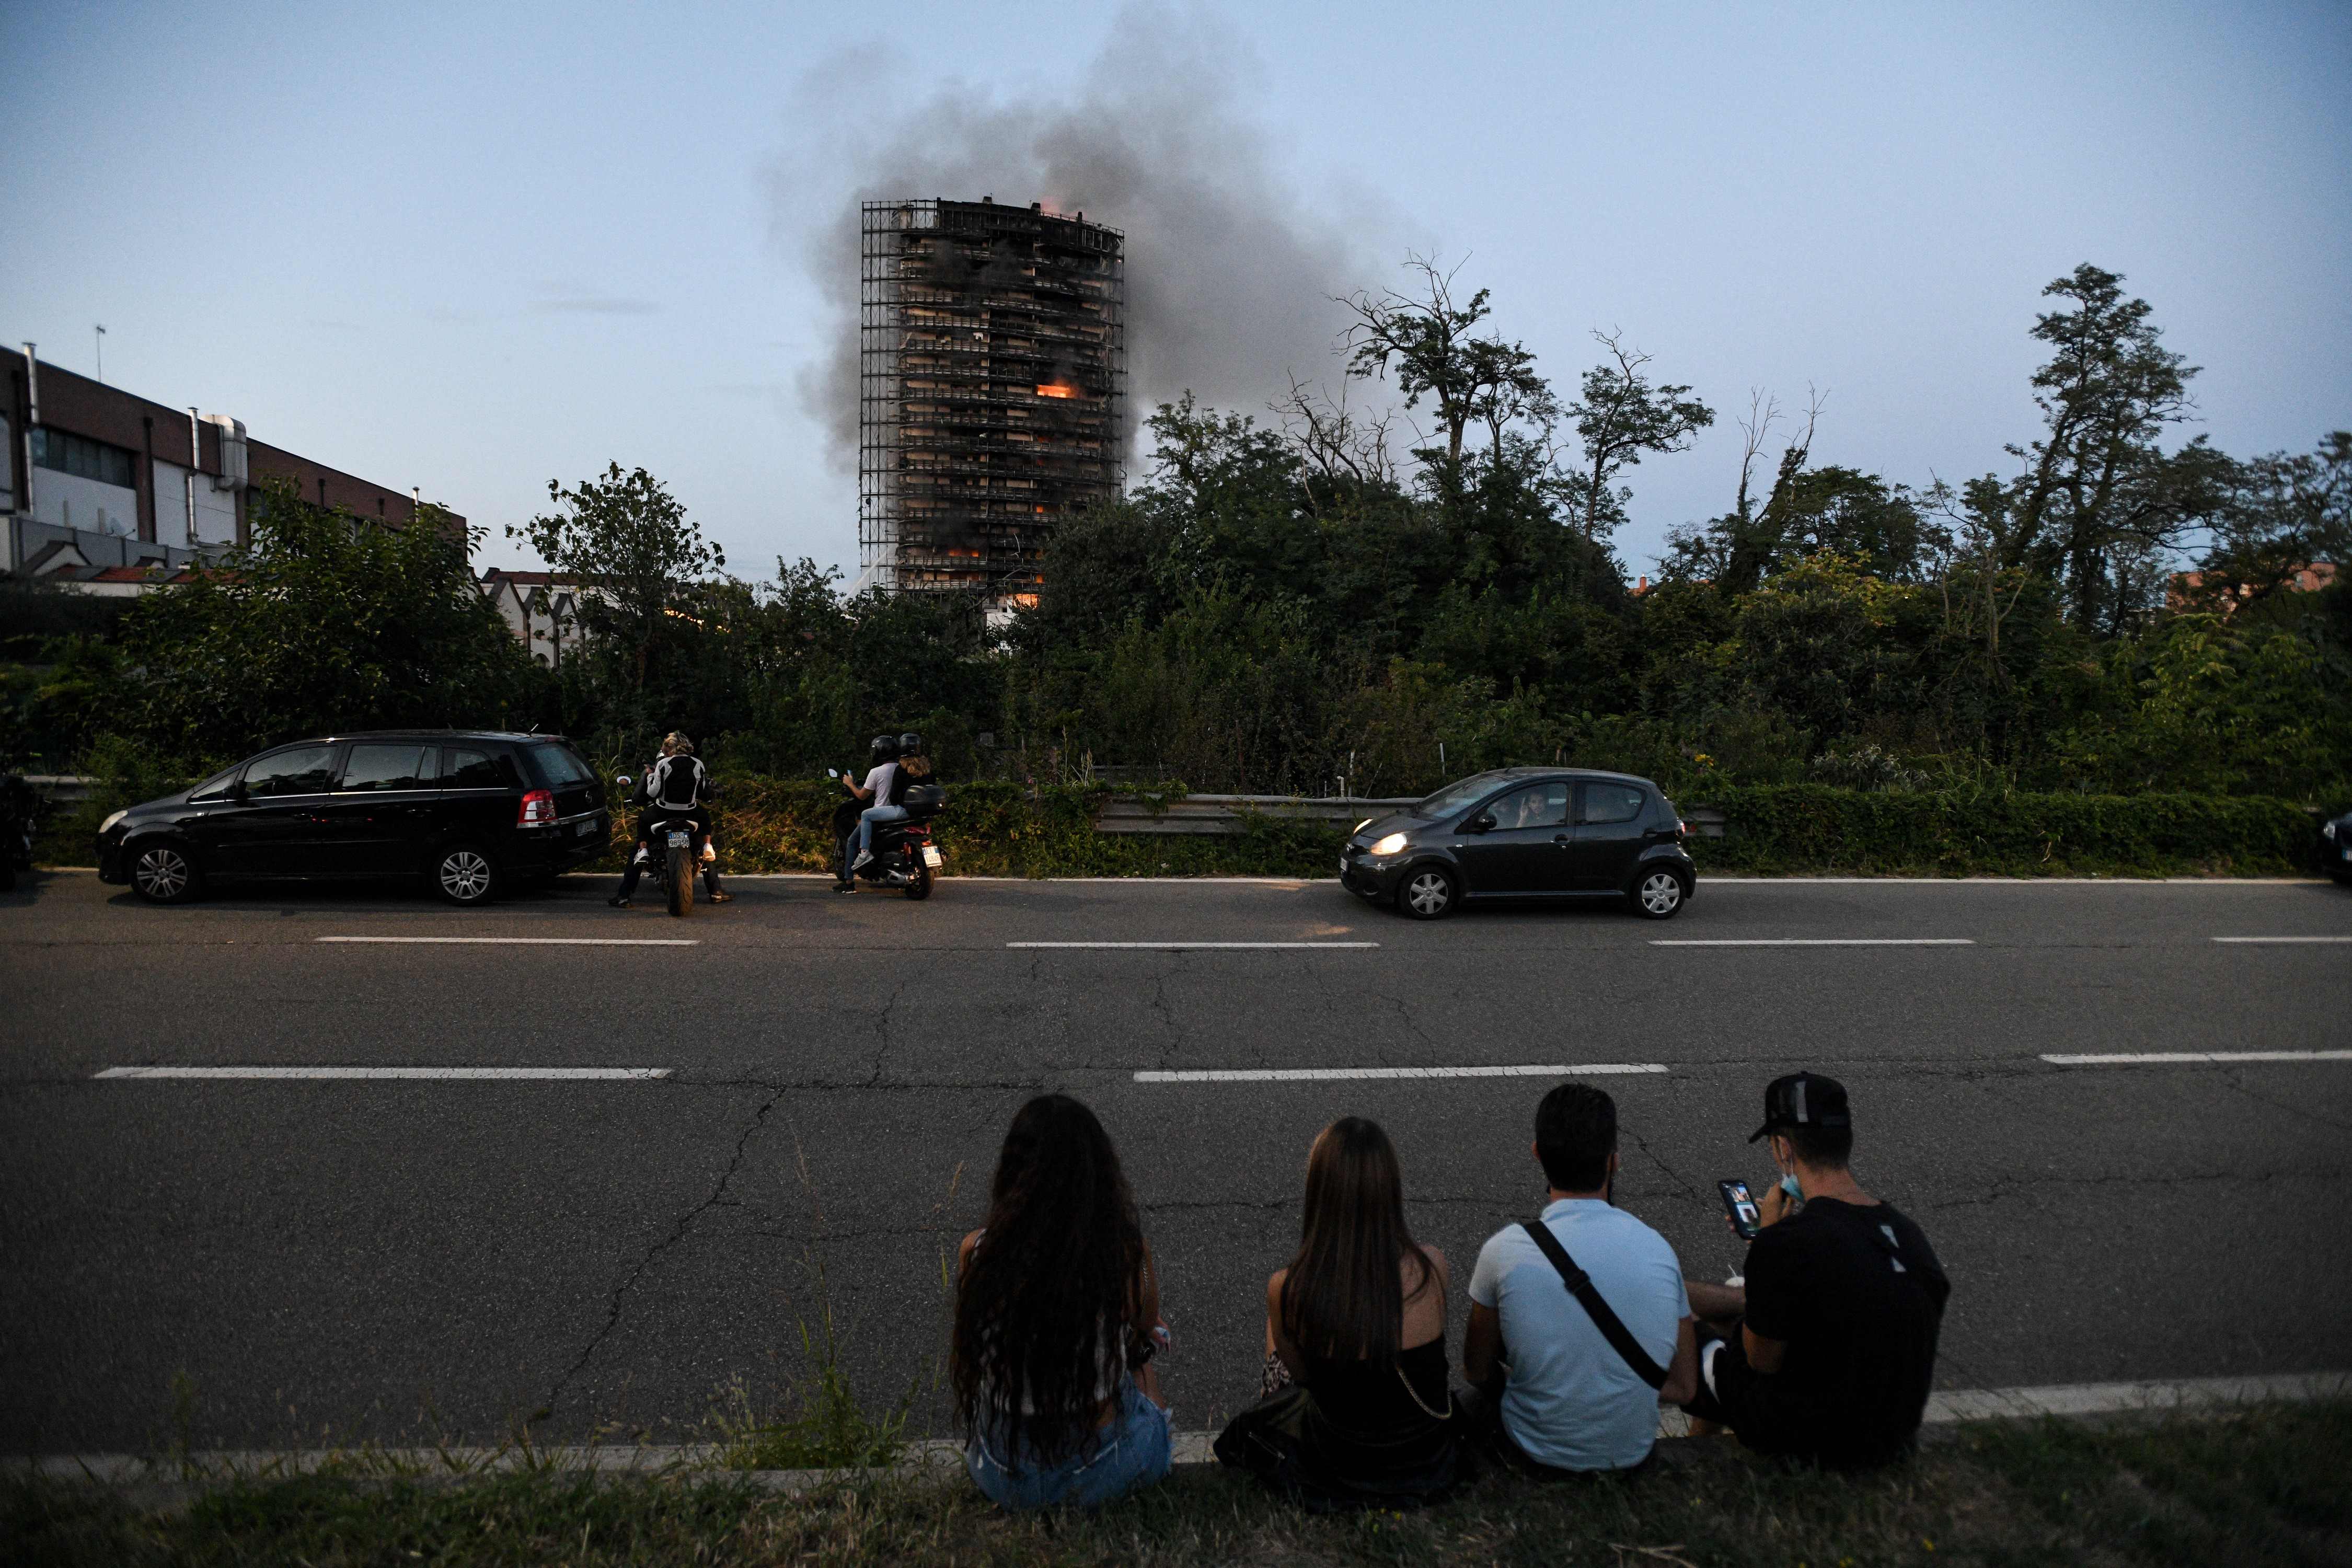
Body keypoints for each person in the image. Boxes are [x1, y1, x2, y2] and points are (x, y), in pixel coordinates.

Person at [1680, 1072, 1949, 1468]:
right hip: (1893, 1436)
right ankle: (1698, 1445)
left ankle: (1690, 1454)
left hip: (1812, 1443)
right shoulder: (1908, 1235)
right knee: (1745, 1303)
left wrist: (1768, 1238)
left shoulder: (1787, 1244)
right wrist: (1769, 1247)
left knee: (1686, 1319)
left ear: (1784, 1149)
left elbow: (1760, 1360)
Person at [1216, 1117, 1460, 1509]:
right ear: (1390, 1189)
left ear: (1319, 1192)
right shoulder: (1432, 1267)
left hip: (1340, 1465)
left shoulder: (1291, 1287)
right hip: (1426, 1457)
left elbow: (1301, 1377)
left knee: (1277, 1325)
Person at [1460, 1083, 1698, 1474]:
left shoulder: (1503, 1251)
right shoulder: (1658, 1250)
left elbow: (1476, 1370)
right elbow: (1685, 1387)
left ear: (1537, 1153)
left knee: (1470, 1403)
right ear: (1614, 1162)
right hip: (1630, 1459)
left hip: (1532, 1457)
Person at [954, 1094, 1171, 1509]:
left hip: (1001, 1471)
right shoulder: (1121, 1251)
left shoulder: (978, 1253)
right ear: (1097, 1174)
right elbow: (1146, 1320)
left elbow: (976, 1341)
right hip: (1101, 1470)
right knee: (1142, 1363)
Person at [608, 733, 729, 907]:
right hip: (691, 813)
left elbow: (652, 793)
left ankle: (624, 894)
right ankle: (716, 890)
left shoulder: (664, 764)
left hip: (663, 812)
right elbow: (703, 791)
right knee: (702, 841)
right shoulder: (698, 764)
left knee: (641, 826)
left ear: (669, 748)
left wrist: (650, 776)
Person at [835, 734, 903, 889]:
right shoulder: (902, 769)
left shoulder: (876, 772)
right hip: (899, 814)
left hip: (880, 815)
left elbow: (861, 796)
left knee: (852, 841)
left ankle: (849, 882)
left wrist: (850, 784)